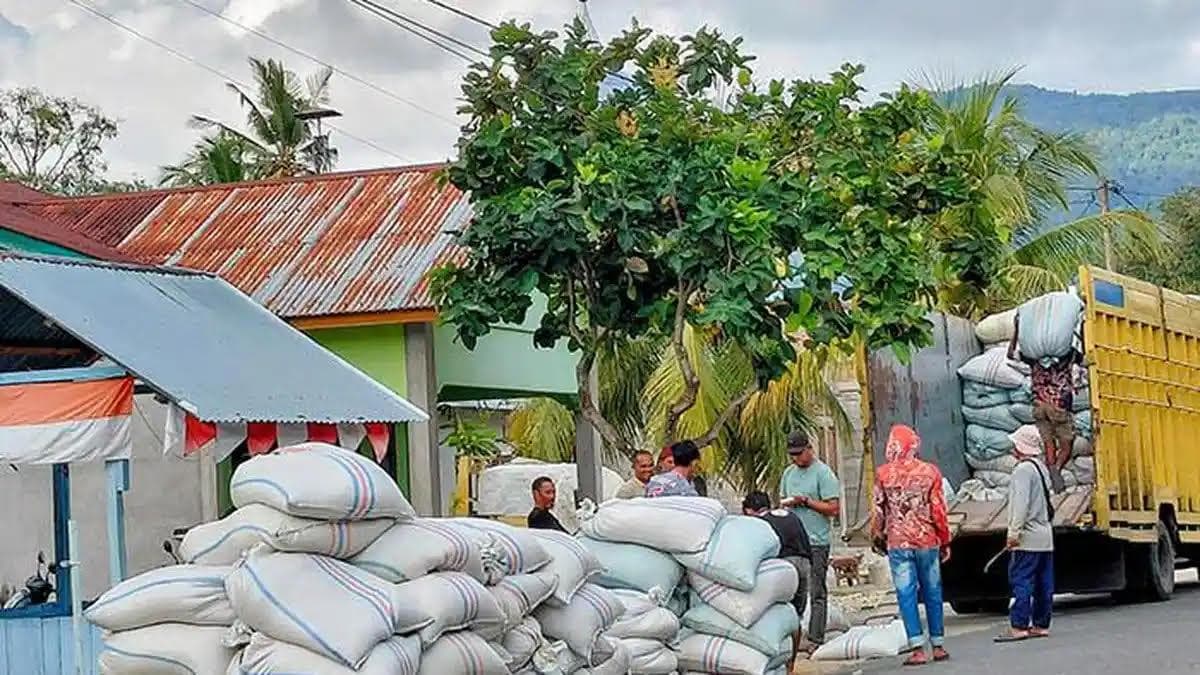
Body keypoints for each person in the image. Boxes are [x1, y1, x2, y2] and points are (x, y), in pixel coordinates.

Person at [872, 424, 952, 665]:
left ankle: (917, 648)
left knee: (906, 594)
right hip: (928, 541)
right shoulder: (930, 472)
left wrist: (877, 536)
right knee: (933, 591)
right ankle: (938, 645)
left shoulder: (883, 474)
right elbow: (939, 510)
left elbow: (878, 511)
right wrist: (945, 539)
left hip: (899, 544)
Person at [778, 429, 840, 649]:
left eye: (799, 454)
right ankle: (793, 636)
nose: (796, 459)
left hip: (816, 541)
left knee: (816, 591)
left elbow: (833, 508)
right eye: (792, 455)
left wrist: (806, 502)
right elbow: (782, 501)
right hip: (793, 542)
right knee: (792, 591)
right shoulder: (788, 474)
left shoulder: (823, 473)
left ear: (809, 449)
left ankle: (815, 637)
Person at [1008, 314, 1083, 492]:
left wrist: (1017, 329)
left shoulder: (1032, 358)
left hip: (1039, 406)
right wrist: (1079, 327)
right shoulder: (1066, 355)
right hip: (1059, 406)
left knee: (1049, 444)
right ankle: (1056, 469)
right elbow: (1084, 354)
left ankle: (1050, 472)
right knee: (1067, 444)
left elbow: (1010, 354)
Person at [996, 425, 1055, 643]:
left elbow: (1020, 505)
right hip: (1045, 538)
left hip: (1027, 538)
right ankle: (1041, 624)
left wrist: (1013, 533)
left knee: (1021, 580)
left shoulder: (1022, 471)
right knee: (1043, 583)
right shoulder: (1041, 468)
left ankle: (1019, 625)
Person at [744, 490, 811, 669]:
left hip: (784, 568)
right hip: (803, 564)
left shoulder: (760, 523)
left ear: (750, 510)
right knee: (795, 616)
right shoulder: (790, 515)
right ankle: (791, 666)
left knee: (776, 614)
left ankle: (774, 661)